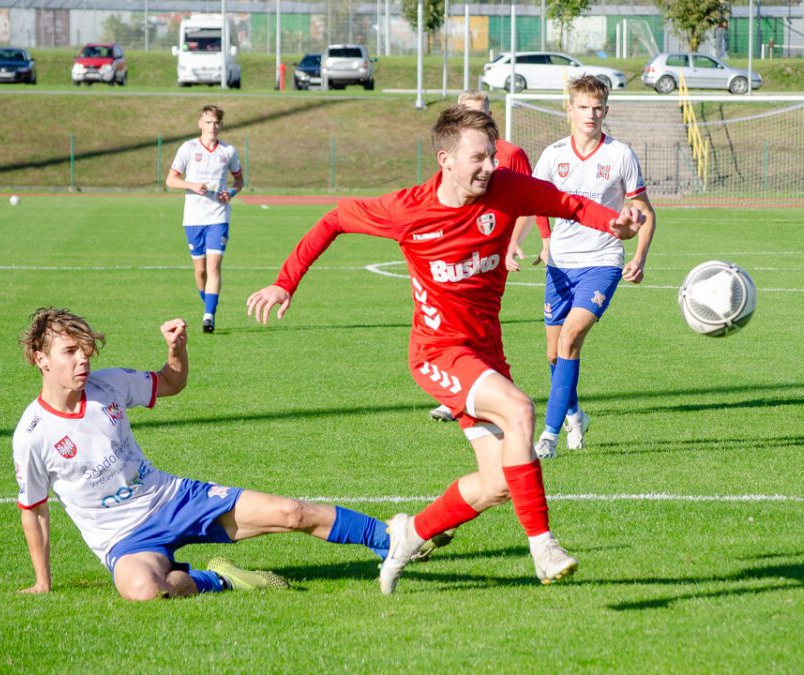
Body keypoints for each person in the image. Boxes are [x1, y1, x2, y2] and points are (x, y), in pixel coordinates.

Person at [246, 107, 645, 595]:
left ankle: (409, 535)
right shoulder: (408, 209)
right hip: (437, 352)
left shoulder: (508, 189)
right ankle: (543, 547)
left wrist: (614, 222)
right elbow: (335, 219)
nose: (490, 166)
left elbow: (570, 204)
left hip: (486, 354)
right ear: (445, 160)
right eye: (478, 158)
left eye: (492, 156)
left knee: (498, 484)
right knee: (520, 409)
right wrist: (285, 282)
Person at [13, 308, 393, 601]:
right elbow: (34, 509)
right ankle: (220, 578)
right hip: (124, 539)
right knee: (146, 591)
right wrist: (42, 581)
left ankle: (392, 540)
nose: (83, 360)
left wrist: (176, 350)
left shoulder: (109, 384)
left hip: (173, 498)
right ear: (40, 359)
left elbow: (171, 382)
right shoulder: (33, 435)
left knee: (292, 512)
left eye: (85, 351)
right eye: (70, 352)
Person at [509, 75, 657, 460]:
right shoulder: (553, 154)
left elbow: (645, 212)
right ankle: (575, 414)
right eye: (583, 107)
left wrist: (639, 257)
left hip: (602, 262)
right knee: (554, 353)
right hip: (560, 264)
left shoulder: (620, 154)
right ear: (569, 109)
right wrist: (515, 242)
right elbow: (531, 203)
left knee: (571, 338)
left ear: (606, 111)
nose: (590, 114)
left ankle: (548, 437)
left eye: (597, 108)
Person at [428, 89, 535, 424]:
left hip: (490, 256)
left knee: (481, 323)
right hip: (456, 253)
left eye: (482, 113)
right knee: (453, 320)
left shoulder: (511, 154)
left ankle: (477, 394)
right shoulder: (456, 155)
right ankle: (460, 393)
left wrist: (519, 241)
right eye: (469, 112)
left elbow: (533, 202)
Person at [166, 105, 245, 334]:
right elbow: (171, 180)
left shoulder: (228, 151)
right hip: (193, 218)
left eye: (216, 123)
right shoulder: (188, 148)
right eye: (208, 122)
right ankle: (209, 302)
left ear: (221, 125)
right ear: (200, 123)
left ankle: (209, 316)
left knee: (213, 266)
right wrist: (191, 185)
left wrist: (231, 193)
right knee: (200, 270)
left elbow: (239, 180)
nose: (212, 126)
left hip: (218, 216)